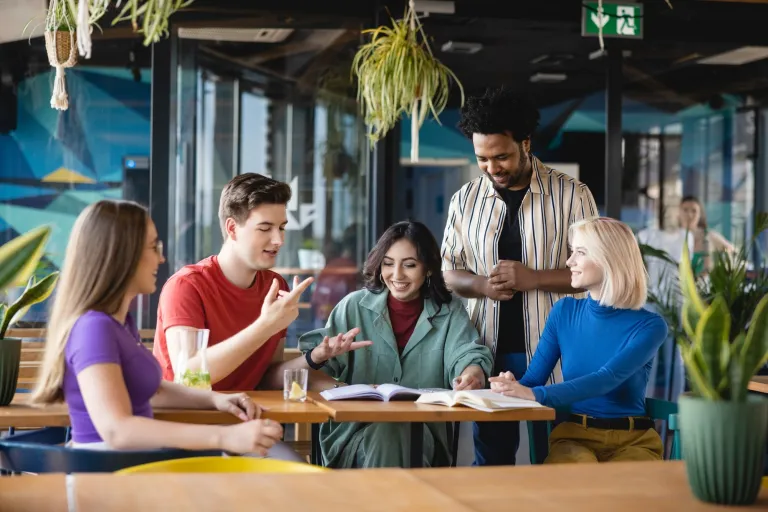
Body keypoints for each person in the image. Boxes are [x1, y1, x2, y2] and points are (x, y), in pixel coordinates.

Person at [31, 200, 283, 455]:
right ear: (122, 256)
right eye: (153, 247)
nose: (161, 258)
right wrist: (224, 436)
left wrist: (215, 399)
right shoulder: (94, 329)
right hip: (107, 480)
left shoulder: (119, 324)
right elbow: (117, 431)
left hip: (135, 470)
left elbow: (154, 391)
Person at [441, 86, 598, 466]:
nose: (492, 168)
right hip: (489, 349)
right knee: (491, 461)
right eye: (482, 158)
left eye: (501, 156)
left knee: (559, 457)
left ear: (525, 143)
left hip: (560, 353)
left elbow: (598, 271)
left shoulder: (572, 194)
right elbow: (447, 271)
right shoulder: (465, 199)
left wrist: (535, 278)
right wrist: (479, 285)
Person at [299, 221, 493, 468]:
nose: (397, 275)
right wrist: (345, 387)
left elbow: (467, 355)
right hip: (351, 435)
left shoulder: (450, 311)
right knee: (387, 434)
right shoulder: (352, 307)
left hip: (424, 437)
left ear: (429, 269)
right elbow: (313, 375)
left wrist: (471, 375)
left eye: (409, 265)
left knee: (393, 434)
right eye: (388, 264)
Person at [490, 217, 668, 464]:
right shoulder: (564, 312)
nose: (569, 262)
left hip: (634, 441)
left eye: (580, 253)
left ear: (609, 259)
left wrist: (533, 394)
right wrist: (511, 386)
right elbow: (531, 381)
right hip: (574, 439)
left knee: (625, 490)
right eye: (572, 251)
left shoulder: (650, 325)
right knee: (578, 477)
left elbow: (607, 379)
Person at [679, 195, 735, 275]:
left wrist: (722, 265)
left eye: (694, 211)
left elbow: (732, 251)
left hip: (704, 285)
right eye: (685, 210)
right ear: (679, 212)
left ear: (700, 214)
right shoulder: (673, 237)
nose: (689, 215)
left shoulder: (709, 236)